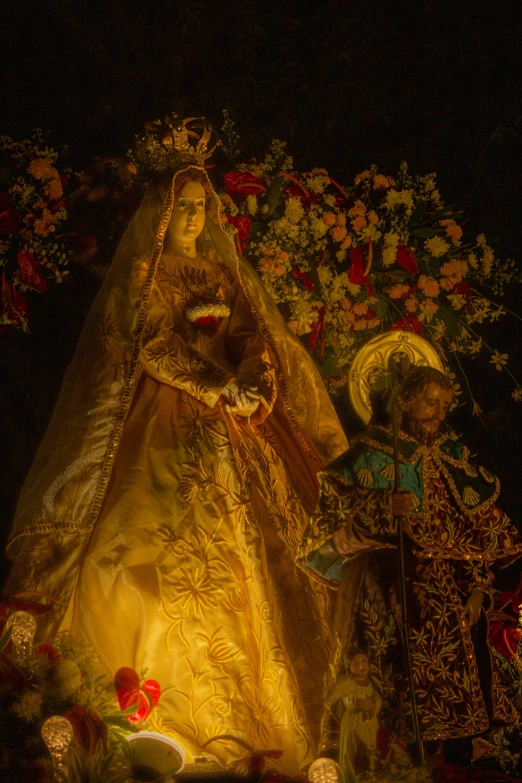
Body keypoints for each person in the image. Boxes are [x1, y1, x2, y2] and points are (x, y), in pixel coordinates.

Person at [4, 118, 348, 773]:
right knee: (131, 548)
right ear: (162, 211)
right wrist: (215, 384)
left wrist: (254, 380)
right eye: (182, 207)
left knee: (267, 549)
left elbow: (253, 335)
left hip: (239, 420)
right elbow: (152, 343)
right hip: (164, 417)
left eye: (201, 207)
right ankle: (124, 713)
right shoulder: (145, 271)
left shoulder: (221, 271)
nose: (193, 217)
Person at [298, 365, 522, 761]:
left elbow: (467, 538)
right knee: (390, 696)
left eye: (444, 405)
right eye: (429, 402)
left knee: (454, 702)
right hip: (387, 595)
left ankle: (450, 760)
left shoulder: (450, 461)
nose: (437, 413)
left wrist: (476, 593)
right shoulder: (369, 455)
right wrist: (384, 506)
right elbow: (328, 529)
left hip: (450, 608)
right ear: (405, 401)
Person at [327, 649, 381, 782]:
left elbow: (378, 696)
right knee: (352, 750)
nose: (361, 666)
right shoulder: (347, 683)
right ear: (349, 667)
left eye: (364, 662)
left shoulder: (372, 681)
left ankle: (371, 775)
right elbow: (332, 695)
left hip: (369, 720)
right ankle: (352, 777)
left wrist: (373, 703)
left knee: (371, 748)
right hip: (353, 721)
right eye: (356, 664)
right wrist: (329, 686)